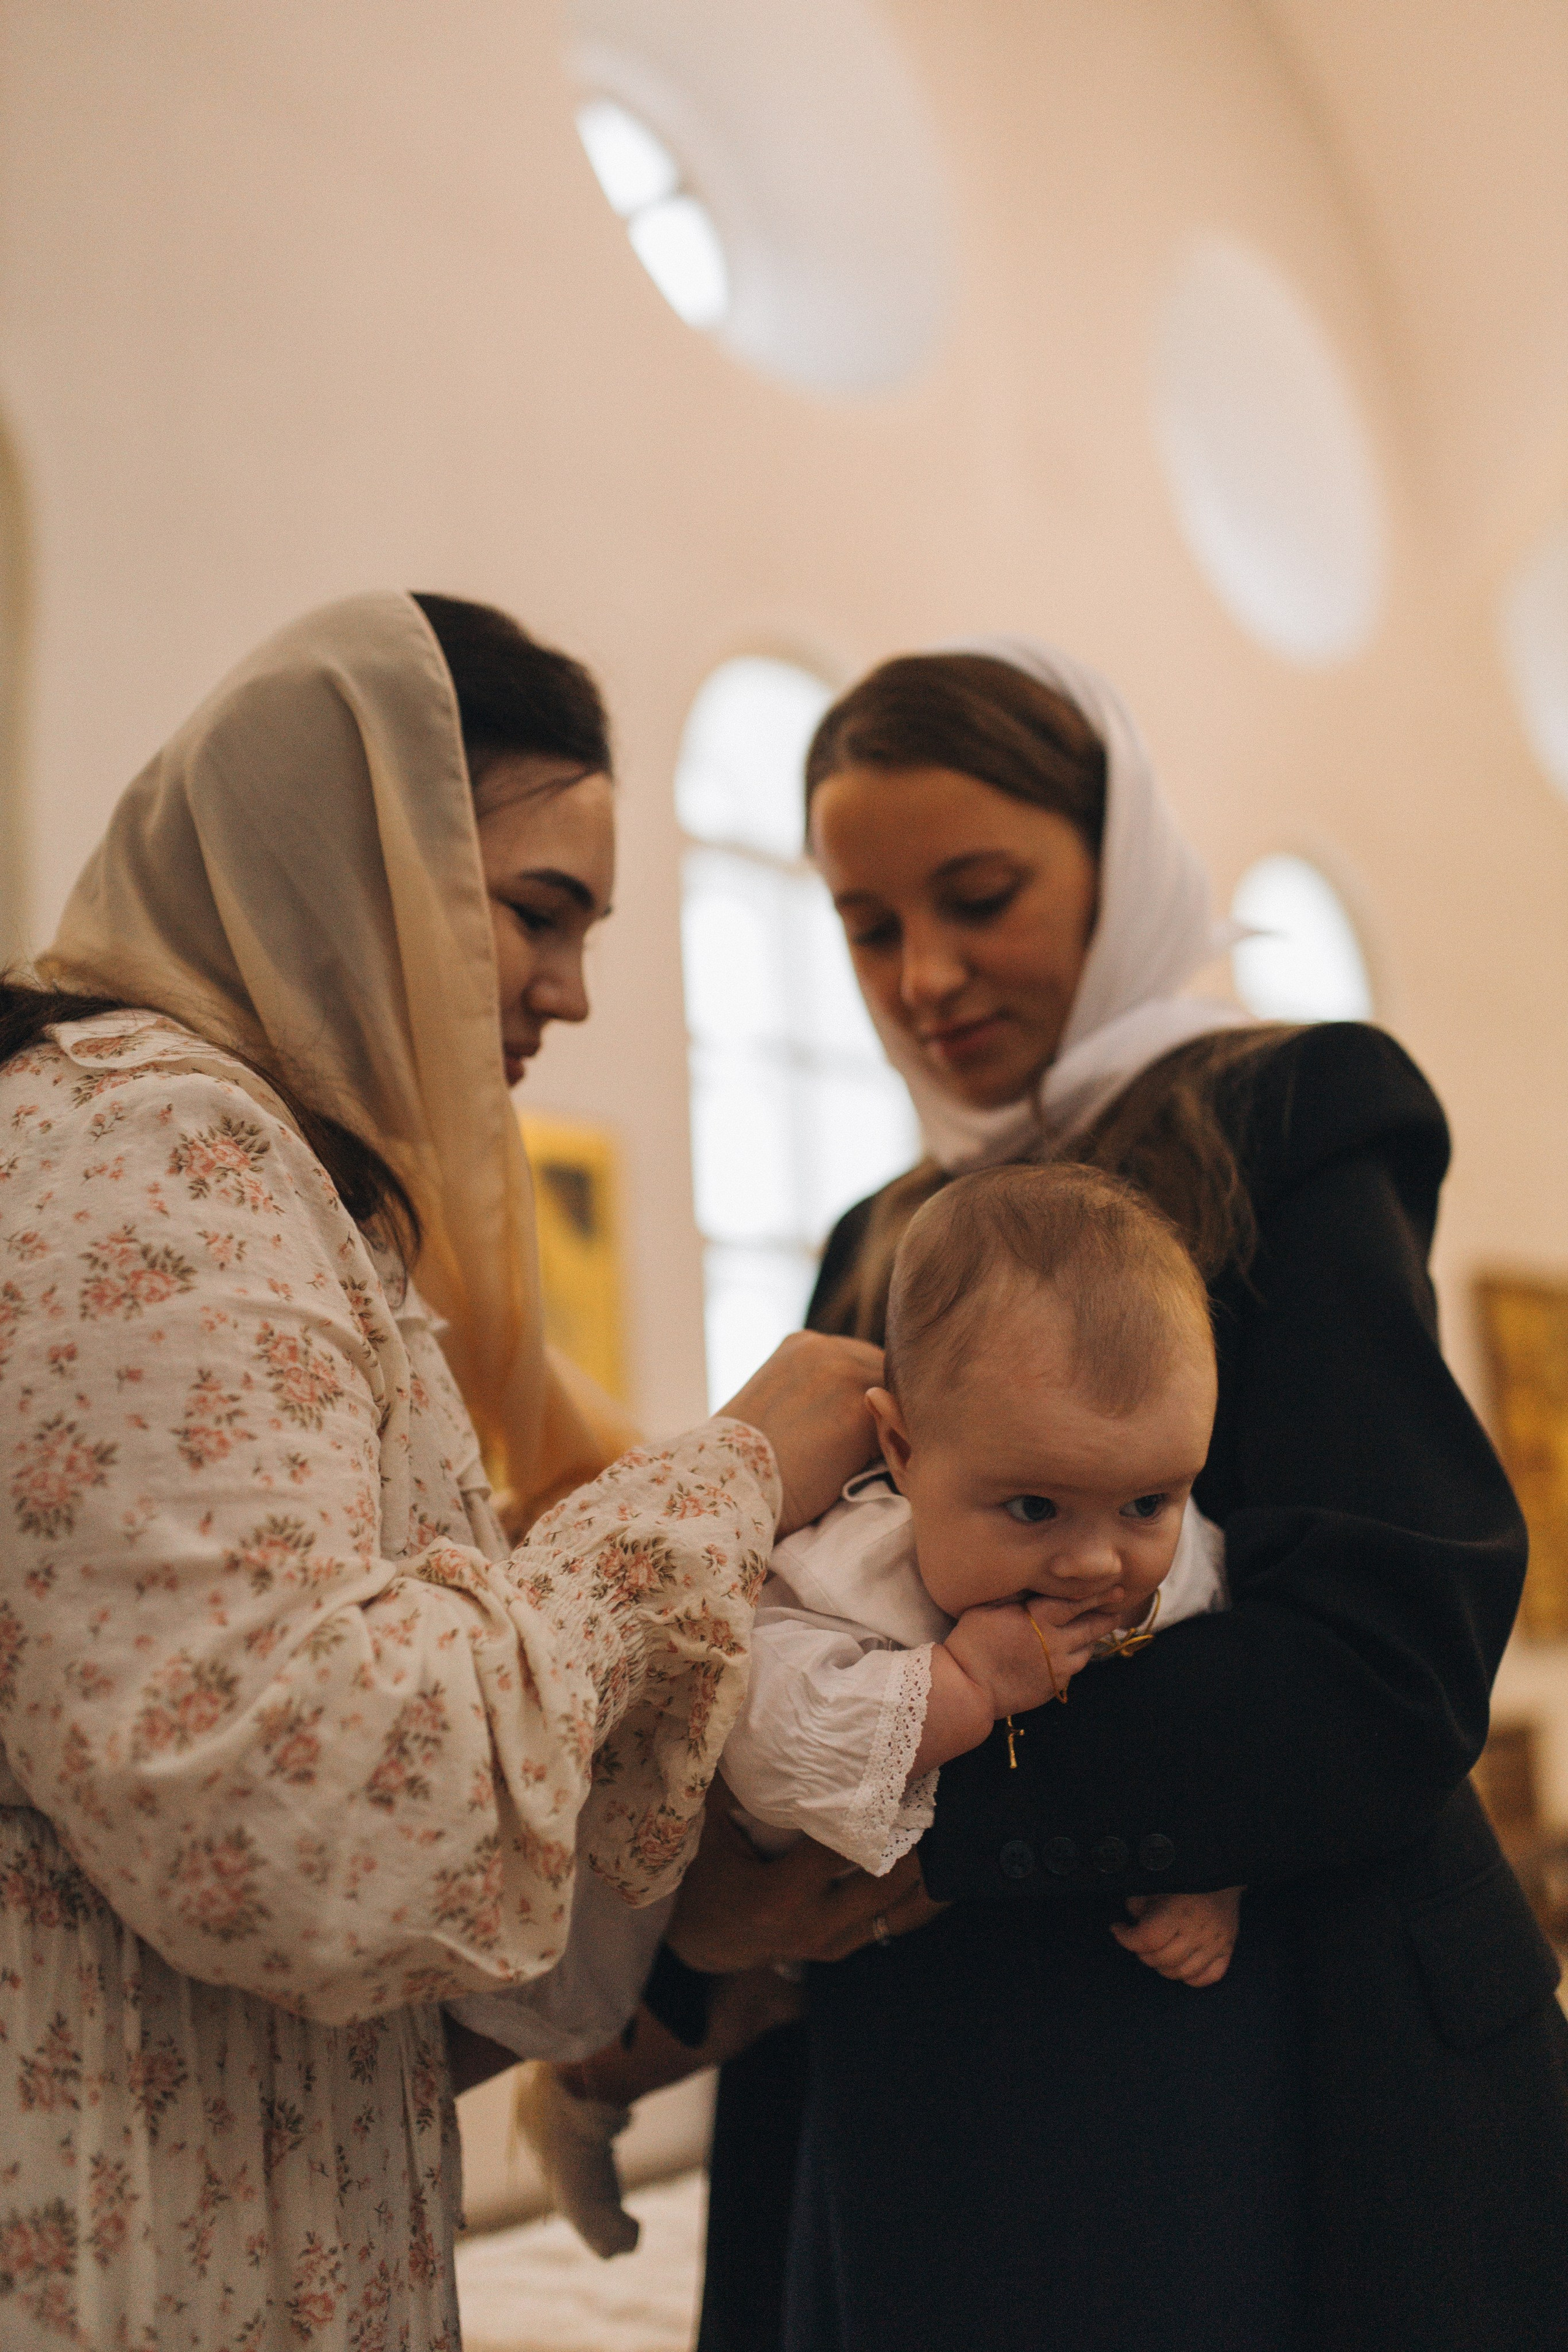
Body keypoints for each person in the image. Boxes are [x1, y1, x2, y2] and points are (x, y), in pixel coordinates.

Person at [0, 590, 880, 2351]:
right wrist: (723, 1481)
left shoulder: (289, 1196)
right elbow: (308, 1808)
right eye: (535, 914)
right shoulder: (155, 1148)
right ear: (353, 862)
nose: (565, 991)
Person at [677, 641, 1568, 2352]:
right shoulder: (882, 1229)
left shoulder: (1290, 1111)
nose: (925, 972)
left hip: (1283, 2033)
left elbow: (1384, 1646)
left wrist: (924, 1806)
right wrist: (706, 1927)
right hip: (944, 2064)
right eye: (867, 926)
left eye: (981, 894)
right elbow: (815, 1609)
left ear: (1117, 852)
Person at [520, 1160, 1243, 2261]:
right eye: (1035, 1506)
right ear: (903, 1453)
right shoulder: (849, 1567)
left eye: (1150, 1500)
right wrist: (962, 1688)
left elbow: (1230, 1719)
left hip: (905, 1944)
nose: (1100, 1559)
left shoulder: (1176, 1559)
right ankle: (574, 2104)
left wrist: (1215, 1865)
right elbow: (772, 1745)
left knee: (796, 2010)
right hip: (708, 1861)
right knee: (680, 2005)